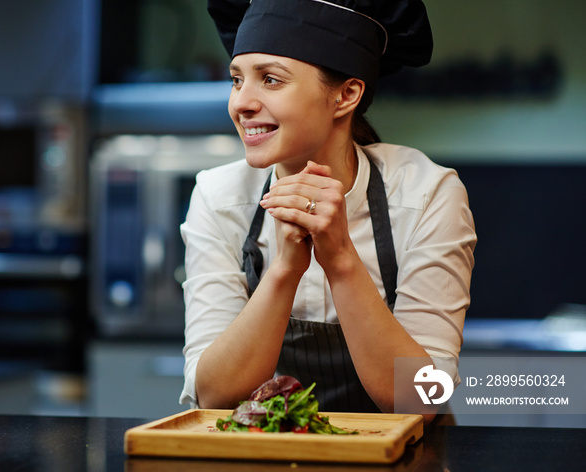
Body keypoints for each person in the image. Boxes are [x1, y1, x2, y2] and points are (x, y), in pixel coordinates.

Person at [179, 0, 476, 423]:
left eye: (270, 80)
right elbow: (214, 396)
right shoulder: (218, 196)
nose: (241, 103)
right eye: (236, 80)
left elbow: (423, 400)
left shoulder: (427, 195)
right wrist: (284, 269)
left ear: (346, 95)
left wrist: (340, 260)